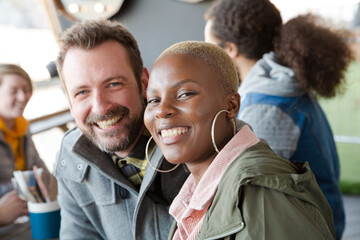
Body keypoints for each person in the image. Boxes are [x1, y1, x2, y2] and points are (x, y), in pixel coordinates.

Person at [144, 40, 336, 239]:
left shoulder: (260, 192)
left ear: (232, 106)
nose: (162, 110)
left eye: (184, 94)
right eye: (153, 100)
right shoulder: (198, 190)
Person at [204, 0, 353, 238]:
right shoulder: (281, 86)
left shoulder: (267, 108)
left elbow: (252, 196)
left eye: (210, 48)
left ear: (230, 50)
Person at [54, 19, 189, 240]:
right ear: (70, 103)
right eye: (82, 92)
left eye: (114, 84)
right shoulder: (70, 156)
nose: (100, 106)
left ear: (144, 83)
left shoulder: (199, 135)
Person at [0, 64, 52, 239]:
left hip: (32, 218)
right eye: (14, 91)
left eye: (26, 89)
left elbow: (41, 170)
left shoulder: (22, 128)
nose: (23, 97)